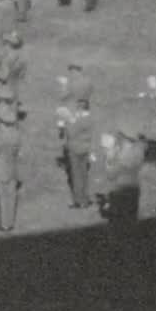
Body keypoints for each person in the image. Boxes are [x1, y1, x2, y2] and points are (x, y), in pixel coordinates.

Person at [56, 65, 95, 209]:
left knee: (76, 173)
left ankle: (79, 200)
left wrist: (63, 85)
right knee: (84, 172)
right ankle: (85, 198)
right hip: (85, 141)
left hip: (75, 140)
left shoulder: (71, 84)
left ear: (74, 71)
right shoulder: (88, 82)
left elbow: (62, 97)